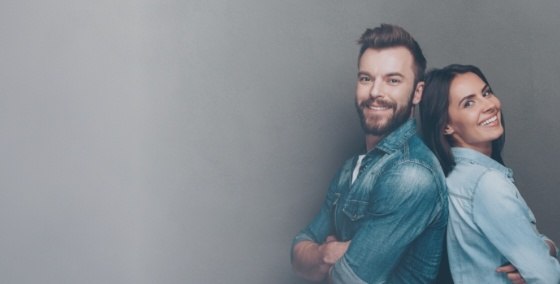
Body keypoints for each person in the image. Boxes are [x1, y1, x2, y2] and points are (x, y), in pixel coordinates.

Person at [290, 23, 448, 283]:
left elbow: (348, 279)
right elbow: (298, 250)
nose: (375, 92)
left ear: (417, 92)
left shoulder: (412, 173)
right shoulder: (352, 167)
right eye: (366, 78)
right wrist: (325, 253)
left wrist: (325, 261)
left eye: (393, 80)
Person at [419, 64, 560, 283]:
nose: (489, 105)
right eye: (469, 103)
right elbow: (547, 277)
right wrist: (543, 257)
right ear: (446, 125)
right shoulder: (487, 184)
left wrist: (545, 248)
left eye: (486, 93)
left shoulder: (455, 179)